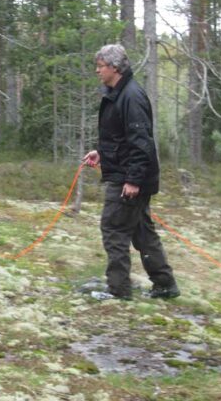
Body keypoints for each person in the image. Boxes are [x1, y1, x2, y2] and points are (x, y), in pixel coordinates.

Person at [82, 44, 180, 301]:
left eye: (101, 66)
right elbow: (121, 138)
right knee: (142, 232)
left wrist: (133, 180)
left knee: (113, 228)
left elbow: (141, 143)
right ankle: (165, 284)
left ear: (114, 68)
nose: (97, 71)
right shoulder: (118, 93)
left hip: (129, 179)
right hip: (128, 174)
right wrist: (101, 154)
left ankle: (118, 290)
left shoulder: (131, 96)